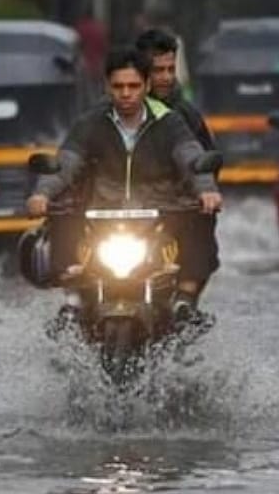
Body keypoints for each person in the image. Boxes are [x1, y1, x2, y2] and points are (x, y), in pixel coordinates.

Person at [26, 47, 222, 319]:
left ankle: (184, 303)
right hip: (102, 218)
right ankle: (73, 302)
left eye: (133, 85)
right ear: (107, 86)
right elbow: (66, 163)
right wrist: (42, 195)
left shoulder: (169, 122)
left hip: (160, 216)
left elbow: (191, 158)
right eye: (118, 86)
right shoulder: (90, 124)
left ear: (147, 85)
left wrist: (207, 191)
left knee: (200, 221)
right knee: (63, 214)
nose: (126, 93)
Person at [135, 27, 215, 151]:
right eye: (158, 70)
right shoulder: (120, 111)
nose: (167, 77)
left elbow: (208, 159)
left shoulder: (187, 114)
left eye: (171, 69)